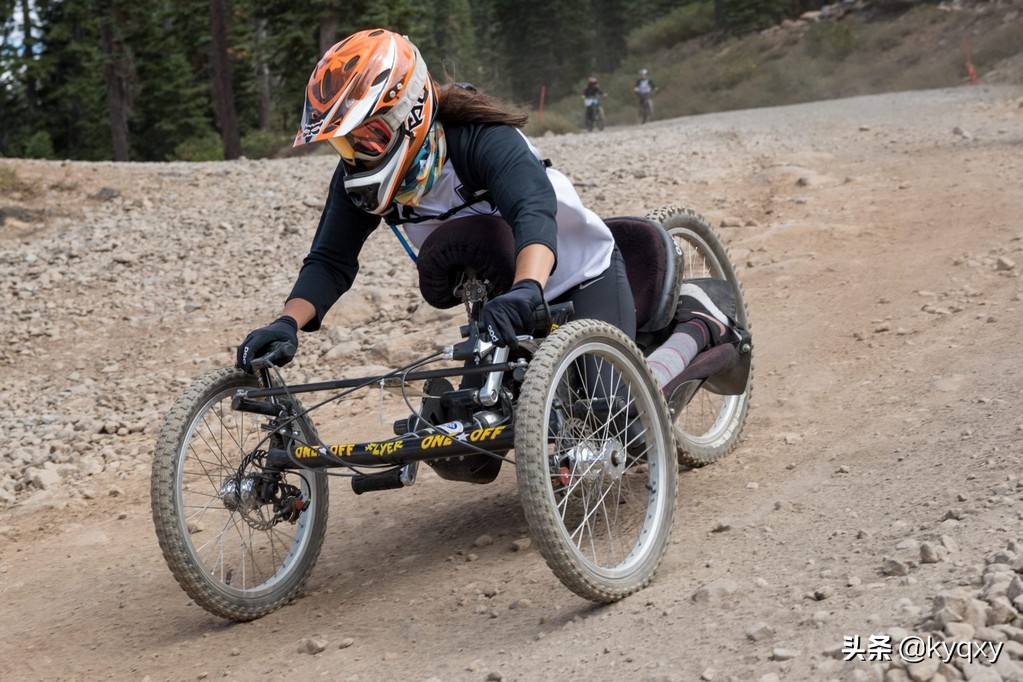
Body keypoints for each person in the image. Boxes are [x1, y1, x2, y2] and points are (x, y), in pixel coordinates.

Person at [235, 29, 635, 375]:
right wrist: (286, 322)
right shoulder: (359, 179)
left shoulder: (479, 137)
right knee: (468, 450)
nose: (358, 152)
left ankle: (696, 325)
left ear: (407, 112)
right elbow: (330, 260)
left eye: (368, 135)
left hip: (578, 273)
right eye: (345, 142)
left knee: (611, 415)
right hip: (503, 305)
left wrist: (529, 287)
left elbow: (531, 209)